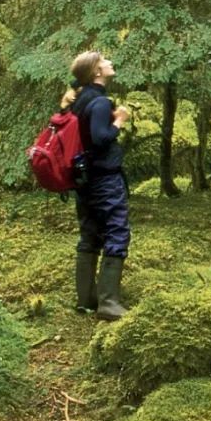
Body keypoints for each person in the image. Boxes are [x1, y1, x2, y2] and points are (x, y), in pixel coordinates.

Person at [61, 51, 131, 321]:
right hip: (104, 178)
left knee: (89, 232)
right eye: (104, 61)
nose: (110, 63)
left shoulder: (79, 100)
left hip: (85, 180)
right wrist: (119, 121)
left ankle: (86, 299)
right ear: (96, 73)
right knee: (117, 230)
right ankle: (109, 303)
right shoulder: (100, 101)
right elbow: (101, 138)